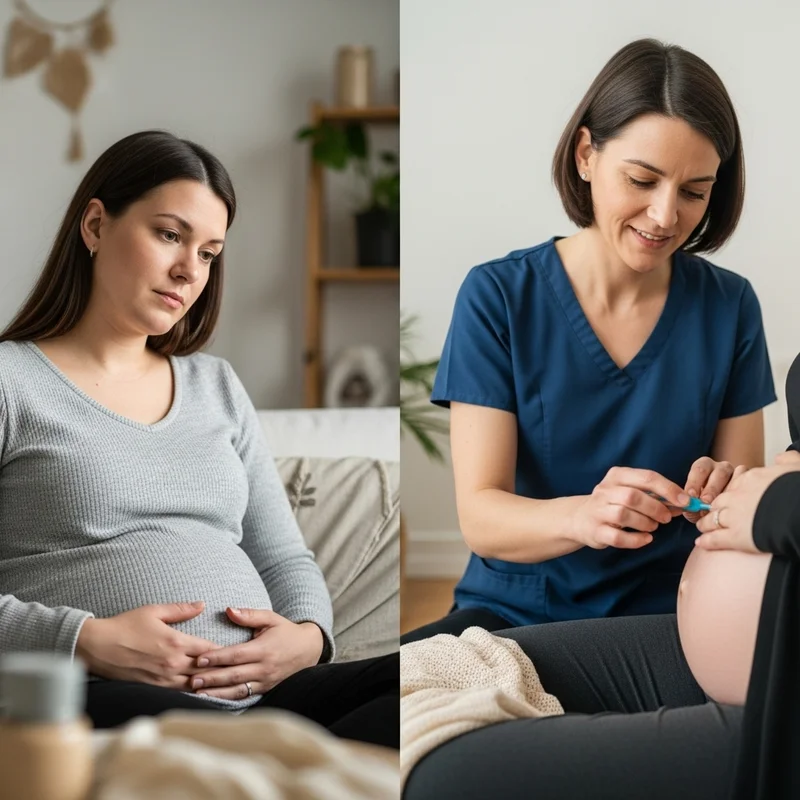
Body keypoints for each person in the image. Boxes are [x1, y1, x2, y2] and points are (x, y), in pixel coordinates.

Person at [0, 130, 397, 749]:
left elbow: (285, 557)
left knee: (423, 685)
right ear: (97, 225)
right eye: (169, 235)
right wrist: (85, 641)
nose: (190, 271)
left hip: (271, 695)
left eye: (210, 253)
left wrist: (311, 637)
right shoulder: (11, 380)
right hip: (98, 690)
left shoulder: (215, 385)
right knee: (259, 750)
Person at [402, 38, 776, 643]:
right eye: (642, 179)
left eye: (693, 192)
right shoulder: (498, 296)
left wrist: (724, 494)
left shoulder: (729, 306)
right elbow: (481, 517)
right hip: (513, 615)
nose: (663, 216)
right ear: (585, 154)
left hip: (674, 618)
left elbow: (738, 505)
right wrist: (585, 515)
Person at [403, 353, 800, 799]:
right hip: (720, 646)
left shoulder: (725, 304)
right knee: (417, 671)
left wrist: (775, 505)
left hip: (780, 686)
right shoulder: (499, 294)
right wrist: (753, 480)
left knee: (446, 778)